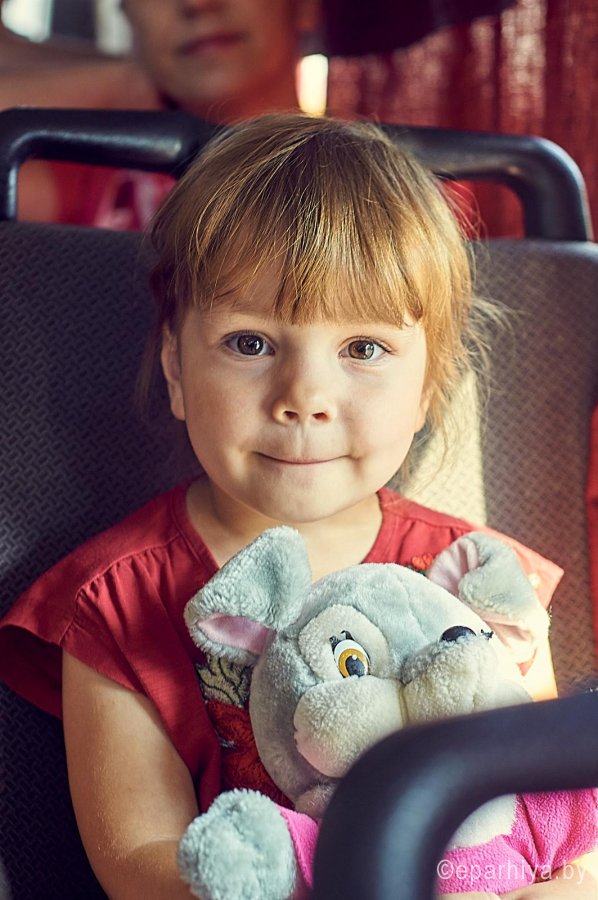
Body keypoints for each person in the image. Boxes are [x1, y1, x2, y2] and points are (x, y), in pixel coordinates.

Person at [0, 114, 595, 898]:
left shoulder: (482, 580)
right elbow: (143, 864)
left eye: (363, 349)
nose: (305, 397)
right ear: (176, 366)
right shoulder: (118, 603)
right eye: (251, 343)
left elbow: (563, 832)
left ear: (428, 386)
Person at [0, 0, 319, 226]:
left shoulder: (346, 167)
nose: (196, 4)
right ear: (127, 17)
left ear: (306, 5)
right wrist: (125, 80)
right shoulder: (92, 168)